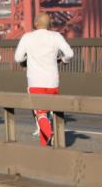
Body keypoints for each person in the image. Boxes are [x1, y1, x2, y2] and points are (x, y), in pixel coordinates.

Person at [14, 13, 74, 147]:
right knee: (47, 113)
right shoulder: (56, 36)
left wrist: (27, 59)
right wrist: (63, 59)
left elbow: (18, 58)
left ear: (36, 23)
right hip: (52, 82)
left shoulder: (27, 37)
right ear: (49, 24)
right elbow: (69, 53)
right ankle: (44, 147)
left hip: (35, 82)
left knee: (40, 114)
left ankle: (50, 135)